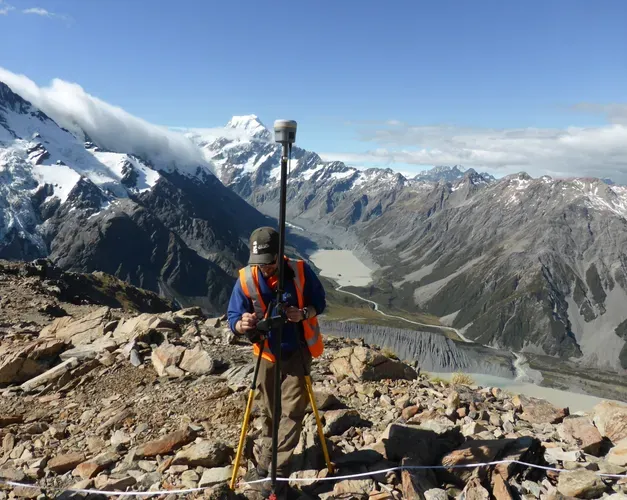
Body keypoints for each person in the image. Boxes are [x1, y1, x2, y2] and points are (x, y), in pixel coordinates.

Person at [227, 226, 327, 498]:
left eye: (269, 263)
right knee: (268, 412)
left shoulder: (301, 271)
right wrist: (241, 324)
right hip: (266, 354)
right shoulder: (246, 279)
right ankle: (265, 463)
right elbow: (233, 316)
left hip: (297, 352)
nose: (265, 268)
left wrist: (304, 313)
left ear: (279, 256)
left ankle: (277, 473)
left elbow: (320, 301)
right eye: (259, 263)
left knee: (293, 411)